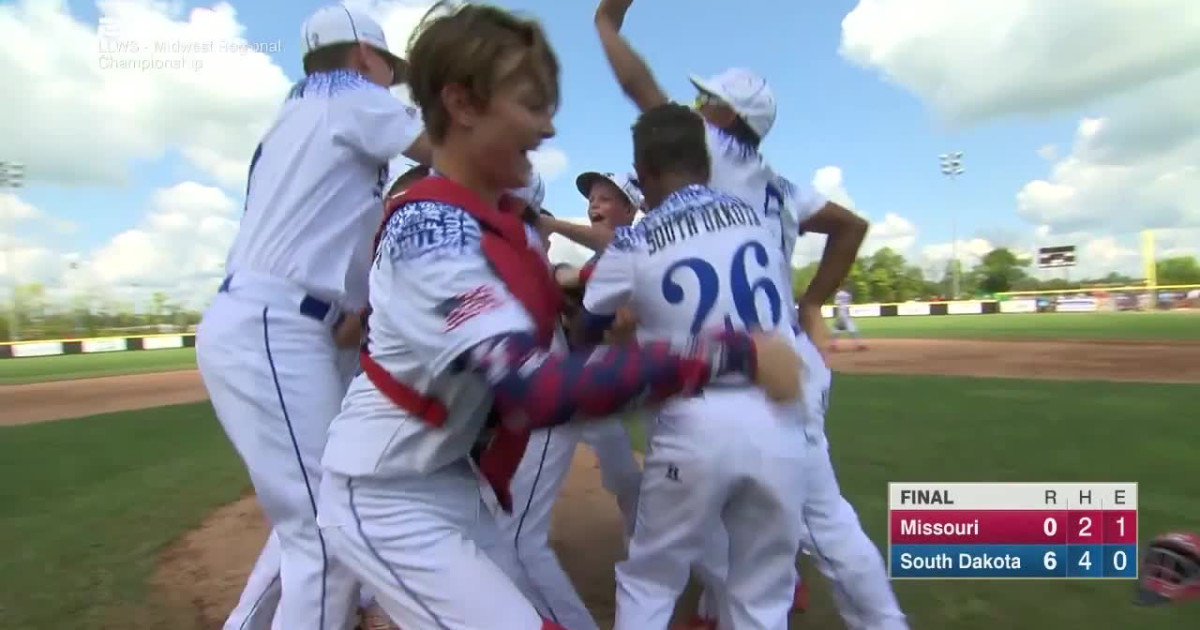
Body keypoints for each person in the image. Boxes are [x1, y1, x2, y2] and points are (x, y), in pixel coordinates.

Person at [311, 3, 800, 629]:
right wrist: (736, 353)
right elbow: (531, 390)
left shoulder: (495, 221)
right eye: (531, 103)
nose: (547, 128)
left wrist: (574, 300)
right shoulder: (430, 231)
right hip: (386, 494)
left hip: (450, 482)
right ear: (462, 105)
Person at [593, 1, 908, 629]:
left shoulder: (707, 151)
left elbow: (640, 91)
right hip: (783, 370)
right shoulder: (775, 183)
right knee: (794, 532)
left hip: (718, 375)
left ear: (727, 118)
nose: (697, 107)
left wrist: (606, 24)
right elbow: (849, 226)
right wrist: (812, 302)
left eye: (707, 100)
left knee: (706, 529)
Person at [195, 4, 431, 629]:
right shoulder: (349, 94)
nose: (391, 82)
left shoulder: (298, 111)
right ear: (361, 57)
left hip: (282, 323)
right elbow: (443, 146)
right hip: (275, 325)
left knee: (316, 514)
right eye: (389, 68)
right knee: (328, 535)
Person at [577, 102, 820, 630]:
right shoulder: (758, 220)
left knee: (649, 579)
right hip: (780, 414)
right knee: (761, 594)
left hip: (694, 419)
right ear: (705, 165)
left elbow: (588, 325)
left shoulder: (634, 240)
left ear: (642, 175)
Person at [485, 170, 648, 630]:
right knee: (513, 527)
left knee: (519, 536)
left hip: (595, 387)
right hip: (575, 382)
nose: (594, 203)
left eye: (605, 197)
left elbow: (603, 258)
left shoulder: (636, 244)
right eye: (592, 197)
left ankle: (654, 564)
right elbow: (572, 280)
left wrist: (551, 234)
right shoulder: (519, 246)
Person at [830, 285, 868, 352]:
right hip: (845, 314)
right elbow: (847, 305)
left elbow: (837, 304)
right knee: (853, 329)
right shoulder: (847, 295)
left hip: (840, 314)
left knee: (836, 330)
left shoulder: (838, 294)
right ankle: (860, 345)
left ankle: (833, 345)